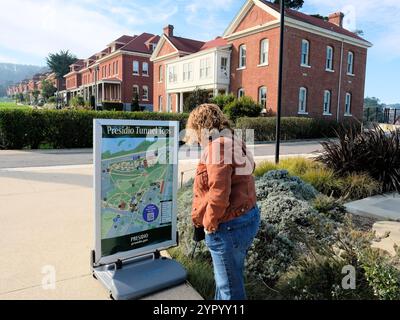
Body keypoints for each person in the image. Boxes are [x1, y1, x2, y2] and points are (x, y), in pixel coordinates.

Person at [185, 103, 260, 300]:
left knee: (229, 290)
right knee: (230, 277)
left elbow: (219, 191)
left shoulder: (216, 147)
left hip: (228, 227)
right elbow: (249, 169)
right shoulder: (231, 140)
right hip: (246, 218)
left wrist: (209, 224)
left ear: (201, 127)